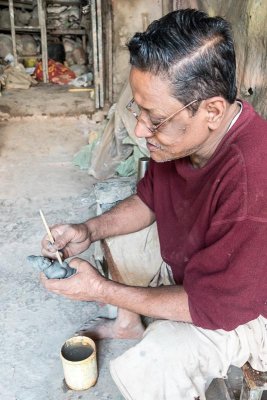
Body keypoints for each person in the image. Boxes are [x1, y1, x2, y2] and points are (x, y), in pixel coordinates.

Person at [41, 9, 267, 400]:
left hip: (246, 311)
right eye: (139, 109)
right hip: (202, 273)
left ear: (211, 110)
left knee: (154, 365)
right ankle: (130, 324)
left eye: (155, 118)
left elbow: (212, 306)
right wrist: (86, 231)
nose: (142, 129)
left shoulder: (252, 182)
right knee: (110, 228)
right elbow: (149, 201)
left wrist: (101, 289)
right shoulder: (183, 140)